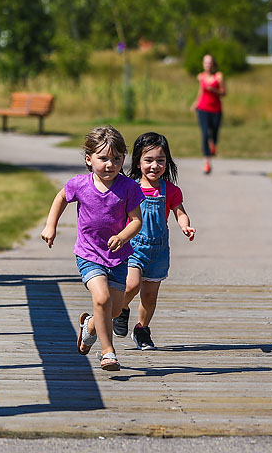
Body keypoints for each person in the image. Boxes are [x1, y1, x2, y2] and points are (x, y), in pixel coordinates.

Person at [40, 126, 144, 371]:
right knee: (102, 298)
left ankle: (88, 326)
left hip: (118, 258)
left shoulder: (128, 187)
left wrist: (122, 235)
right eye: (103, 158)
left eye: (117, 159)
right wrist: (50, 226)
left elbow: (137, 221)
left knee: (115, 309)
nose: (110, 164)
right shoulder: (81, 184)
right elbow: (61, 198)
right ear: (89, 159)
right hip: (89, 254)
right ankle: (108, 352)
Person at [112, 132, 195, 350]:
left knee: (149, 296)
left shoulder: (171, 190)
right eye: (148, 160)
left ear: (167, 163)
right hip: (133, 247)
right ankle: (120, 309)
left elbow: (180, 212)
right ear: (138, 162)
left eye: (160, 160)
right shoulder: (130, 187)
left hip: (158, 251)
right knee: (131, 284)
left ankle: (141, 330)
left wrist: (185, 225)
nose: (154, 166)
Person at [189, 54, 226, 175]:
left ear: (213, 64)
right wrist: (196, 103)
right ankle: (207, 163)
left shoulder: (218, 76)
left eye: (209, 62)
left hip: (216, 110)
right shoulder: (201, 77)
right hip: (203, 109)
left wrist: (213, 90)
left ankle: (213, 144)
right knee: (205, 134)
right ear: (203, 64)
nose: (207, 65)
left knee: (214, 133)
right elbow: (201, 91)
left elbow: (223, 92)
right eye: (205, 62)